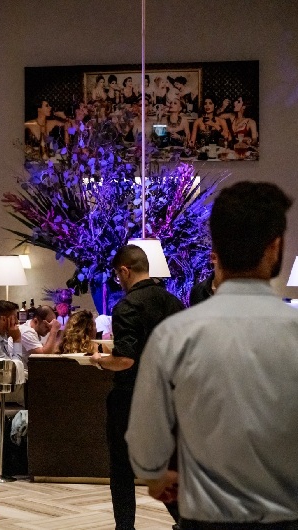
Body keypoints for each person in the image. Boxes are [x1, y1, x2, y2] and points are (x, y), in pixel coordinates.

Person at [126, 182, 298, 529]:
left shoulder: (174, 336)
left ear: (215, 249)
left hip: (205, 518)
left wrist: (155, 475)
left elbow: (146, 443)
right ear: (275, 247)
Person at [89, 245, 184, 530]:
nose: (118, 281)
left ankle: (125, 527)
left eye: (118, 275)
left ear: (125, 271)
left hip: (131, 398)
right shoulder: (173, 303)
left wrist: (100, 360)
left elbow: (125, 360)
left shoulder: (127, 306)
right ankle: (187, 523)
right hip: (168, 397)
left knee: (121, 467)